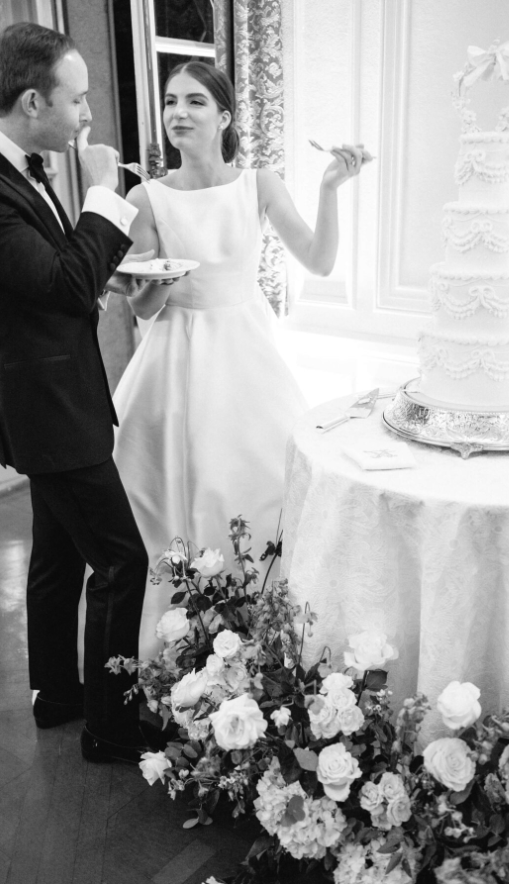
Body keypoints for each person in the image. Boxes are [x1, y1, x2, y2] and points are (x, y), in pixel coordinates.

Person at [113, 61, 371, 659]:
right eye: (172, 101)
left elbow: (319, 259)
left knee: (257, 489)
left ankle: (257, 644)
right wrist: (148, 283)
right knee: (171, 493)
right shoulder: (145, 196)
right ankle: (178, 647)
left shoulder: (259, 183)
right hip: (173, 359)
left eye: (196, 102)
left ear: (225, 116)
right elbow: (145, 309)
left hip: (246, 357)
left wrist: (330, 187)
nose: (179, 112)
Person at [0, 22, 167, 764]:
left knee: (58, 556)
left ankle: (59, 693)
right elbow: (69, 282)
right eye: (79, 100)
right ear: (34, 100)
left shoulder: (23, 170)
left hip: (50, 403)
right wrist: (104, 191)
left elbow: (51, 284)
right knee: (122, 560)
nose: (88, 116)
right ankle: (111, 725)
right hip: (49, 413)